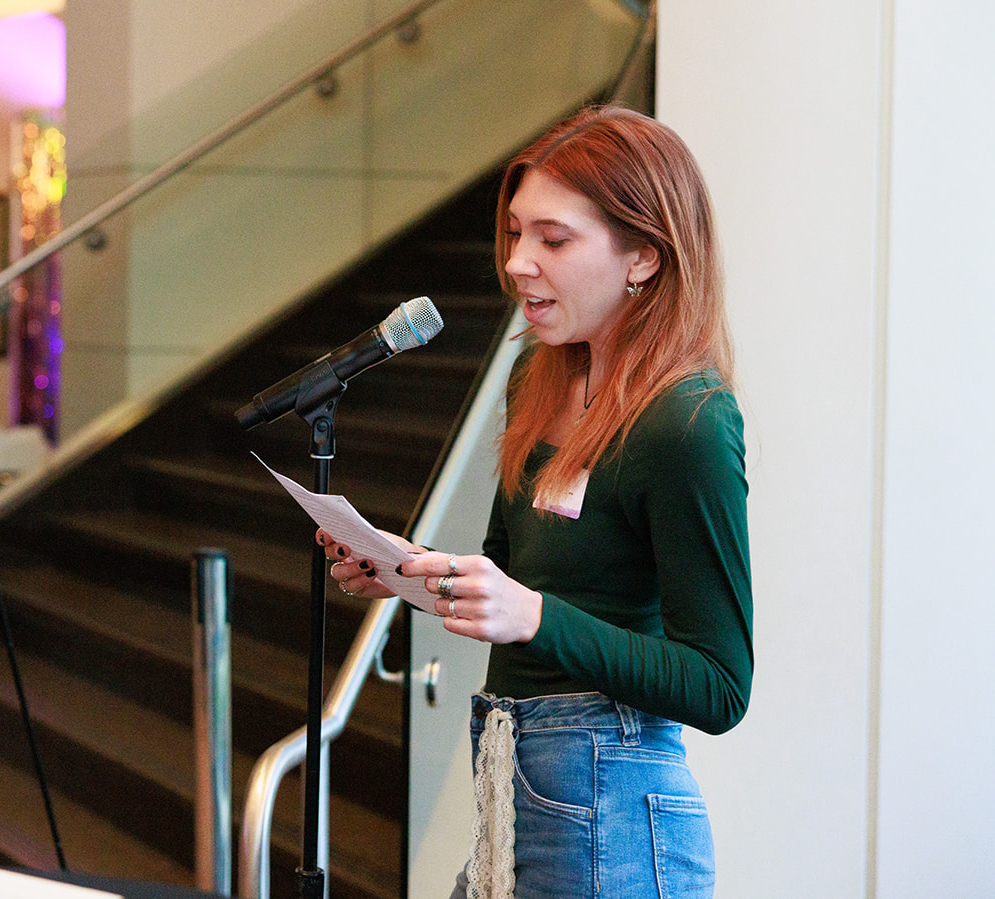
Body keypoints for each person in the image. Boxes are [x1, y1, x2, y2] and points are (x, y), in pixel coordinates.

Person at [319, 106, 751, 898]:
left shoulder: (686, 420)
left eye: (552, 239)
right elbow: (510, 580)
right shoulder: (537, 375)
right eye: (515, 232)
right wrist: (407, 570)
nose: (517, 261)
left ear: (644, 258)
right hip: (518, 786)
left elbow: (720, 685)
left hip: (615, 812)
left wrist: (535, 615)